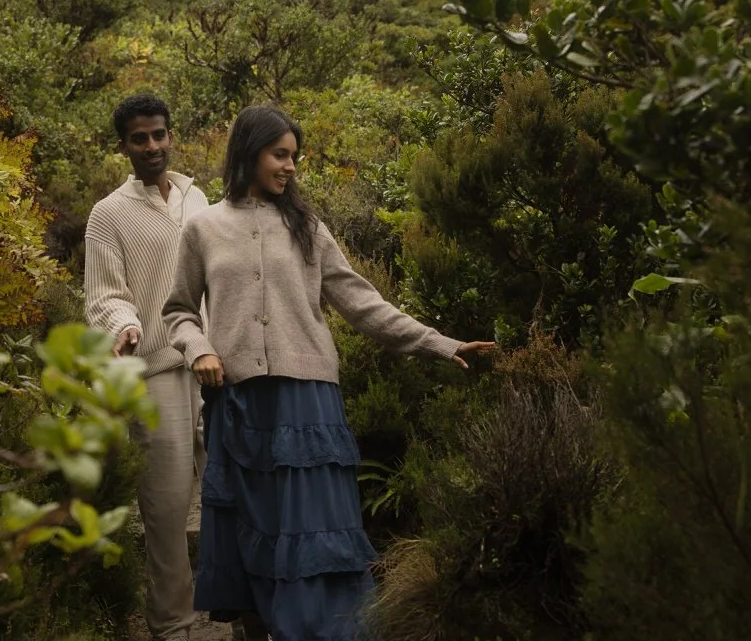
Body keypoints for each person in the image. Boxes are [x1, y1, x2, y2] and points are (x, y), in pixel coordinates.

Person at [162, 106, 495, 641]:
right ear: (248, 154)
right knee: (251, 530)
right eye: (280, 155)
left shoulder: (308, 230)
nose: (291, 166)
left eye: (294, 156)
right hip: (239, 404)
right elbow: (177, 310)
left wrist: (440, 343)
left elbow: (364, 304)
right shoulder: (203, 229)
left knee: (313, 535)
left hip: (307, 407)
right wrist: (199, 348)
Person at [85, 94, 210, 641]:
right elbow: (103, 294)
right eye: (140, 138)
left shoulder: (197, 198)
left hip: (214, 367)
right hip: (156, 372)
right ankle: (174, 624)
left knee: (231, 493)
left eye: (159, 134)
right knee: (165, 508)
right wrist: (124, 326)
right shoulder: (108, 214)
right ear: (124, 147)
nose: (152, 146)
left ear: (171, 136)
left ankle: (240, 609)